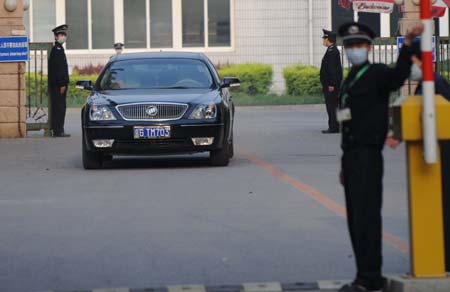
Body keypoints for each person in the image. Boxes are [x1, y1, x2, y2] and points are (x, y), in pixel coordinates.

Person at [337, 22, 422, 292]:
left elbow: (399, 76)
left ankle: (371, 277)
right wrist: (344, 162)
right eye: (350, 45)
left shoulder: (376, 73)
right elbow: (346, 121)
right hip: (352, 156)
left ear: (369, 48)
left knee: (367, 217)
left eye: (359, 45)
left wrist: (408, 44)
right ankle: (362, 275)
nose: (354, 50)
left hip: (368, 155)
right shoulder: (352, 76)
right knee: (355, 219)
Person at [386, 40, 450, 272]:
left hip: (440, 157)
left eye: (410, 62)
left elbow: (428, 118)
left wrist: (399, 135)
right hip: (438, 155)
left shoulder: (434, 86)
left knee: (442, 208)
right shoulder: (429, 84)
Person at [48, 24, 70, 137]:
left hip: (58, 85)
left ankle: (57, 128)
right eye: (61, 35)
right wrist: (62, 84)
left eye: (64, 35)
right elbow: (59, 69)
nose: (63, 37)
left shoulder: (59, 49)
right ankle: (58, 130)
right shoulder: (56, 50)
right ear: (56, 37)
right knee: (59, 108)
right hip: (58, 86)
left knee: (60, 107)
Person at [320, 29, 343, 134]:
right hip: (330, 84)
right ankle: (334, 125)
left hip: (331, 85)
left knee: (331, 106)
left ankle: (333, 127)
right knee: (333, 105)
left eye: (324, 39)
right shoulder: (331, 50)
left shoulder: (332, 52)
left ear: (328, 39)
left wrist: (331, 84)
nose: (323, 41)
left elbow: (333, 70)